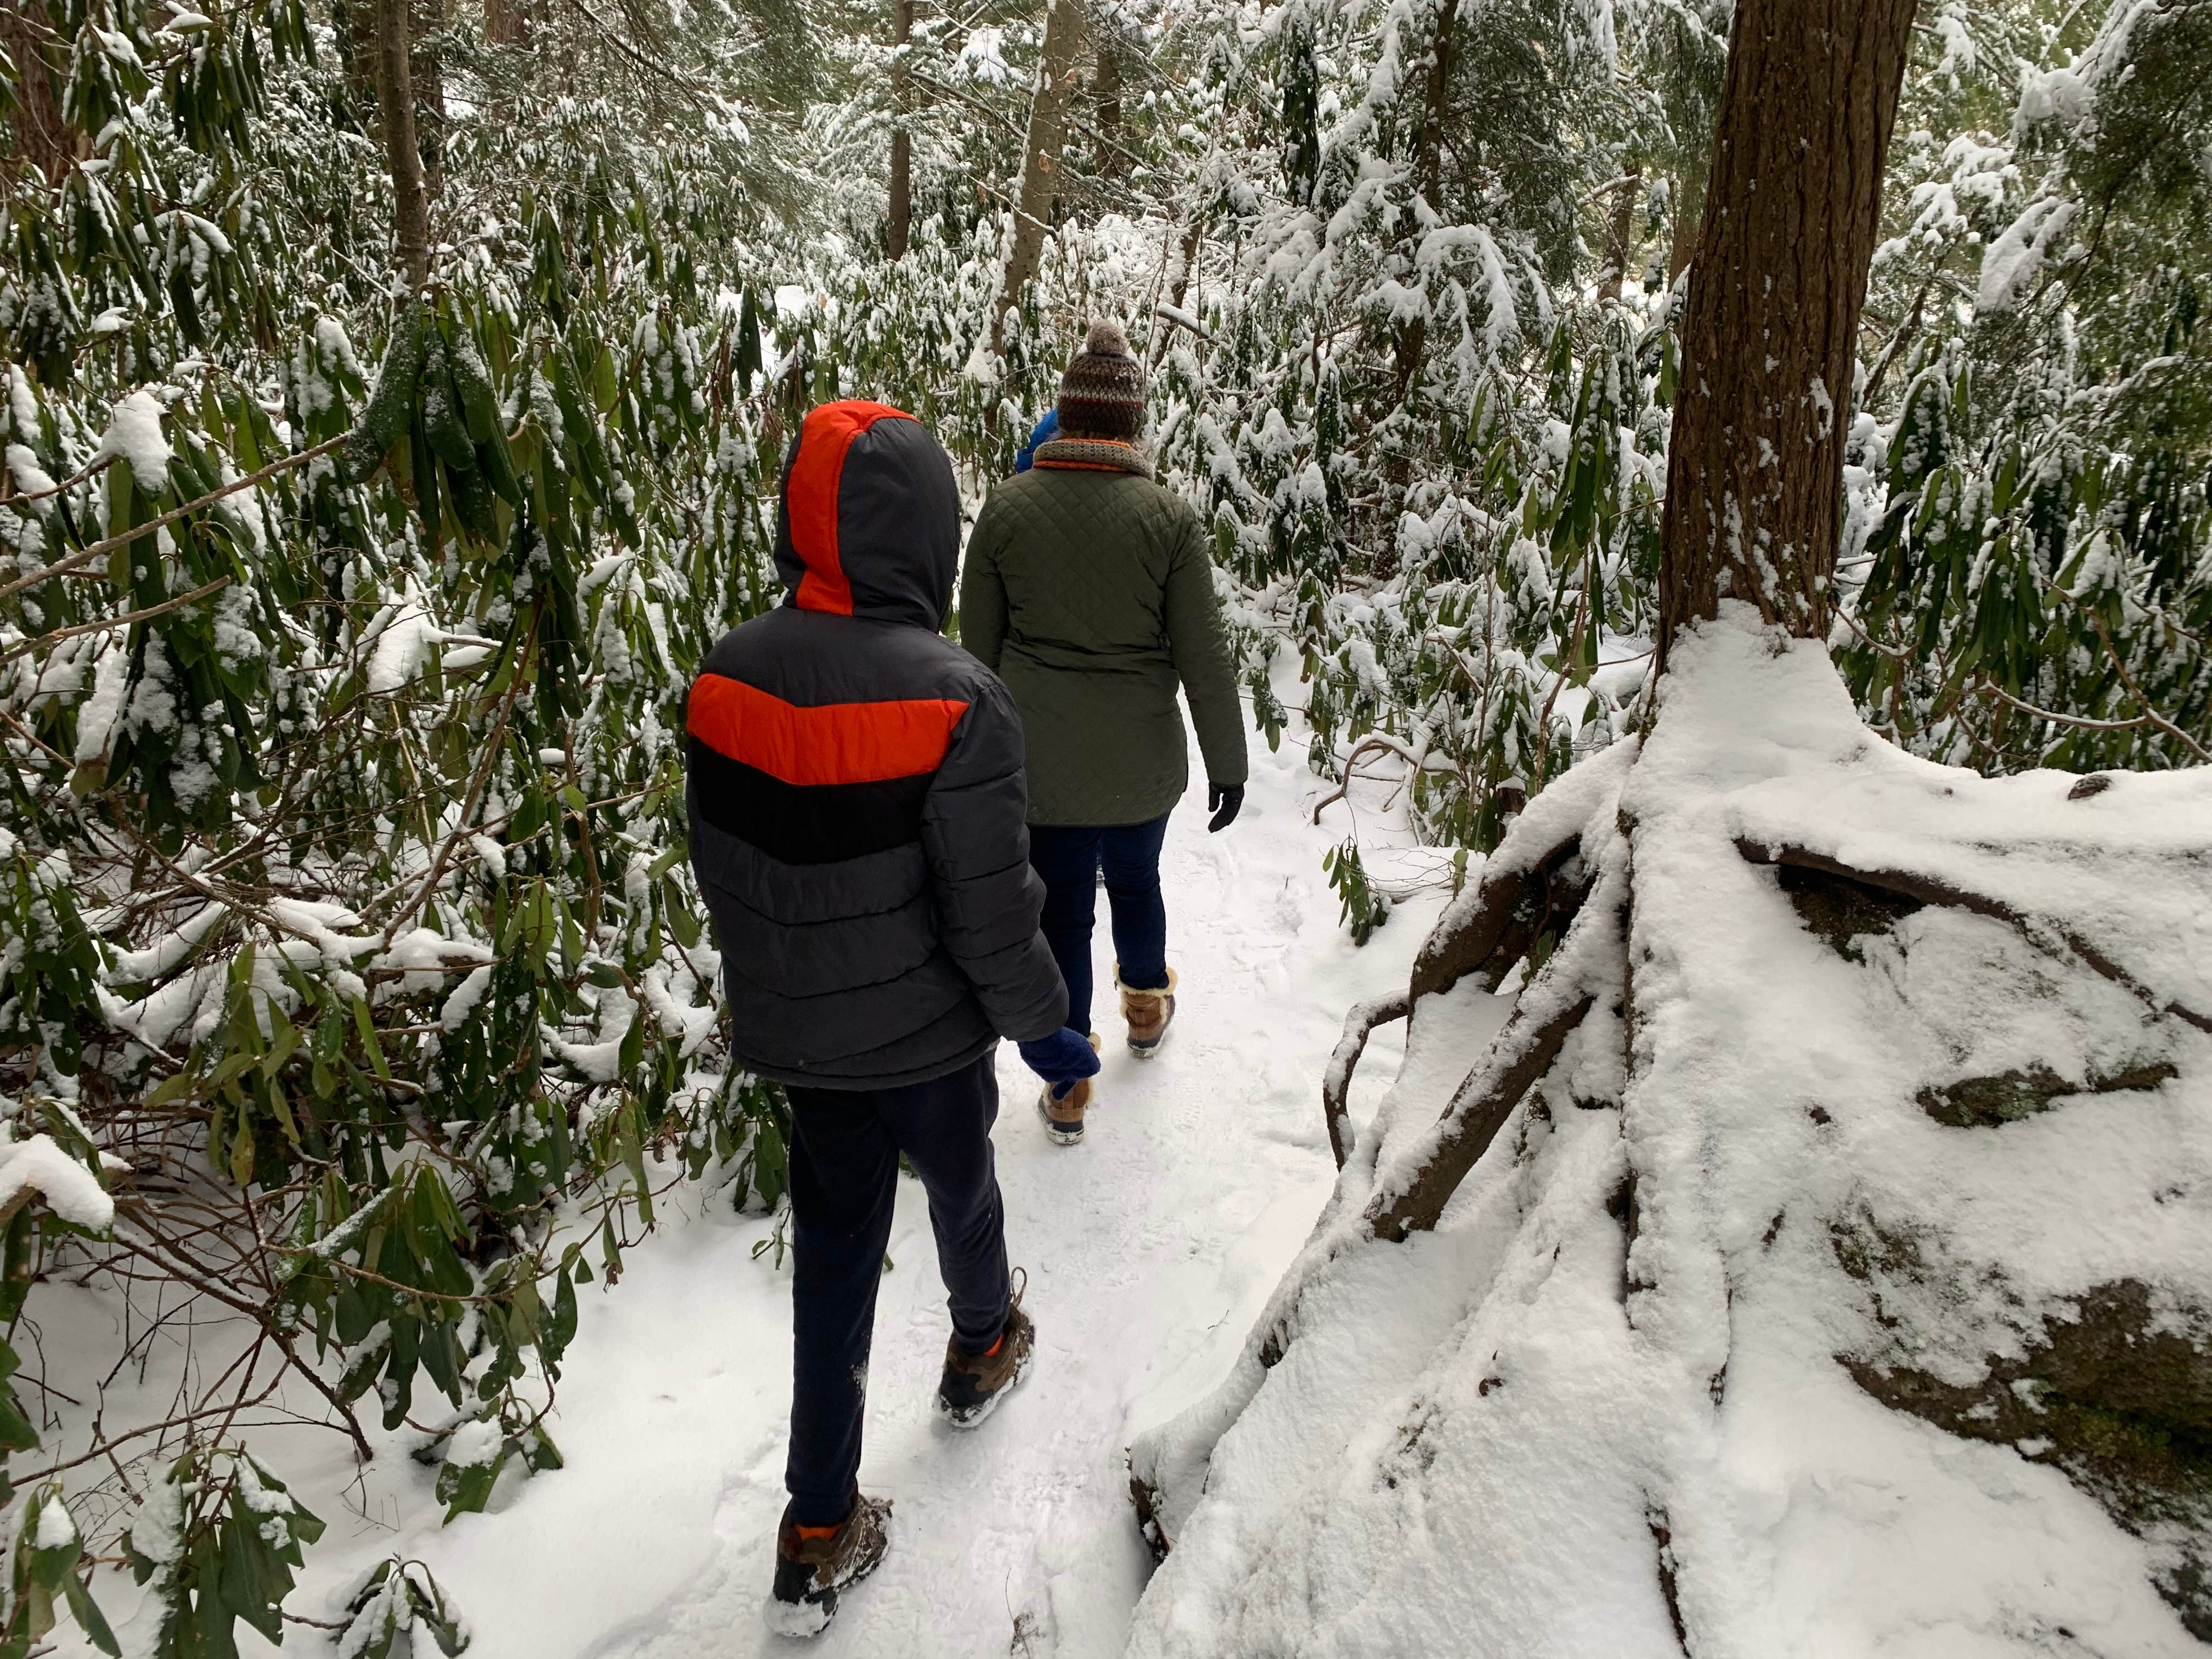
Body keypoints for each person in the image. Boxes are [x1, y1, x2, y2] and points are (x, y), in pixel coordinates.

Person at [683, 400, 1099, 1638]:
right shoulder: (958, 700)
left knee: (835, 1260)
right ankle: (982, 1343)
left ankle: (816, 1525)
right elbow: (989, 911)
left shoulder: (722, 679)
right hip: (929, 1041)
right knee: (964, 1187)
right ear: (929, 535)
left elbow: (728, 865)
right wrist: (1046, 1026)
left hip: (804, 1043)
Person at [960, 320, 1249, 1148]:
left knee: (1058, 917)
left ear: (1066, 414)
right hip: (1141, 764)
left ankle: (1067, 1078)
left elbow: (972, 658)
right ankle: (1148, 1007)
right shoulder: (1170, 519)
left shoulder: (1006, 511)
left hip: (1039, 770)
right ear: (1132, 424)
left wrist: (963, 770)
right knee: (1135, 879)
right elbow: (1204, 653)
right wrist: (1228, 761)